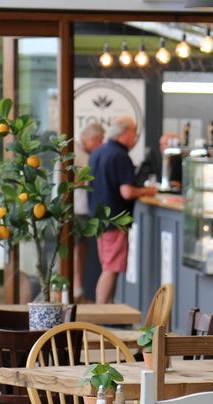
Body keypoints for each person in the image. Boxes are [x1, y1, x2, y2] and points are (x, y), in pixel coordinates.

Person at [88, 116, 157, 304]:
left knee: (107, 265)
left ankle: (106, 310)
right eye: (134, 131)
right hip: (115, 220)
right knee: (111, 268)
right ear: (124, 132)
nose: (136, 136)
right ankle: (102, 313)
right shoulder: (120, 156)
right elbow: (127, 192)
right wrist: (148, 191)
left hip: (99, 219)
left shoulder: (97, 152)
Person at [74, 122, 105, 301]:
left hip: (85, 209)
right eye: (100, 140)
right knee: (77, 248)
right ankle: (76, 287)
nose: (101, 144)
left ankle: (78, 288)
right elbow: (74, 180)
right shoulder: (75, 152)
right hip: (77, 209)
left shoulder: (88, 153)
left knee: (83, 248)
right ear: (90, 138)